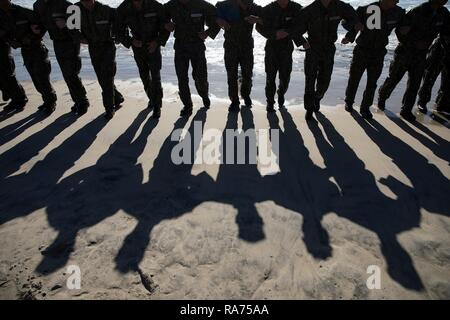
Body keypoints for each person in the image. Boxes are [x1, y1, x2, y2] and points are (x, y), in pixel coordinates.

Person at [377, 0, 449, 122]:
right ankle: (382, 97)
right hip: (405, 52)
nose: (446, 0)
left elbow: (446, 33)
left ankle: (406, 110)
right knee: (394, 78)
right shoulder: (418, 10)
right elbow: (400, 31)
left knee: (414, 84)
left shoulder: (444, 13)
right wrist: (414, 43)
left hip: (421, 55)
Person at [296, 0, 361, 120]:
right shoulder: (309, 10)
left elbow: (356, 21)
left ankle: (318, 97)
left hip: (329, 49)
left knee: (325, 80)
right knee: (310, 79)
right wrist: (302, 42)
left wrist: (350, 36)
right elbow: (296, 29)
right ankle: (309, 108)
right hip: (312, 48)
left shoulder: (340, 7)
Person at [343, 0, 405, 120]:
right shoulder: (366, 10)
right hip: (362, 50)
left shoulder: (398, 12)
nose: (397, 1)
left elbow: (404, 26)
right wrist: (351, 32)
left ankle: (365, 107)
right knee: (354, 78)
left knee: (372, 82)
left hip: (379, 52)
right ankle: (349, 102)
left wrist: (405, 35)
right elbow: (346, 21)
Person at [164, 0, 220, 117]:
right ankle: (187, 105)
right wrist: (166, 23)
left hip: (197, 46)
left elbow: (218, 17)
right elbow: (158, 14)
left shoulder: (201, 4)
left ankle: (204, 95)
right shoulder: (171, 5)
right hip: (180, 47)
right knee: (182, 77)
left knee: (200, 76)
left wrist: (208, 32)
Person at [34, 0, 90, 115]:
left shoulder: (66, 5)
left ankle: (83, 101)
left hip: (71, 42)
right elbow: (41, 23)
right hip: (57, 42)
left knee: (71, 73)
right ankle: (77, 101)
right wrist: (36, 29)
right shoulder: (37, 5)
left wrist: (67, 24)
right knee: (66, 74)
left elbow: (79, 25)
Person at [0, 0, 56, 114]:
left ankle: (50, 101)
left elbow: (41, 25)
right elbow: (4, 32)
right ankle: (45, 101)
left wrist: (31, 36)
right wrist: (11, 41)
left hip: (37, 48)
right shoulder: (1, 15)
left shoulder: (24, 12)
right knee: (35, 79)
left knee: (42, 78)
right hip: (25, 51)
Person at [116, 0, 169, 119]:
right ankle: (152, 98)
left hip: (153, 45)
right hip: (137, 47)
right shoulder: (124, 8)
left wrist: (157, 42)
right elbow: (118, 30)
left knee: (155, 76)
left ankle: (157, 106)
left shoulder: (155, 6)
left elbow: (165, 27)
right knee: (144, 76)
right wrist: (130, 41)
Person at [76, 0, 124, 120]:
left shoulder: (106, 10)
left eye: (89, 1)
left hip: (108, 47)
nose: (87, 4)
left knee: (107, 76)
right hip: (93, 48)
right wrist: (80, 37)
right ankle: (117, 98)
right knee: (101, 77)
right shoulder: (76, 10)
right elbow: (71, 28)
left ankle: (109, 108)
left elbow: (121, 22)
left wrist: (119, 36)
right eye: (84, 1)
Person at [256, 0, 303, 113]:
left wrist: (287, 32)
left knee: (285, 78)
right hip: (272, 46)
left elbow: (301, 25)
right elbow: (259, 27)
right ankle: (270, 102)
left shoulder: (296, 8)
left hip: (287, 48)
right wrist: (274, 35)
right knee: (270, 77)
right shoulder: (268, 9)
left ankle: (281, 93)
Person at [216, 0, 262, 112]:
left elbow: (268, 20)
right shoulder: (225, 6)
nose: (246, 4)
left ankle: (245, 95)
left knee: (247, 74)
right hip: (231, 46)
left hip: (247, 47)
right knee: (231, 75)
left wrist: (257, 19)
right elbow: (213, 15)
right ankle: (234, 101)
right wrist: (219, 21)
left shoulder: (254, 8)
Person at [0, 6, 28, 113]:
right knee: (3, 75)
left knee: (8, 74)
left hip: (2, 45)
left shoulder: (7, 11)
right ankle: (10, 94)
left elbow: (10, 27)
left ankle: (20, 98)